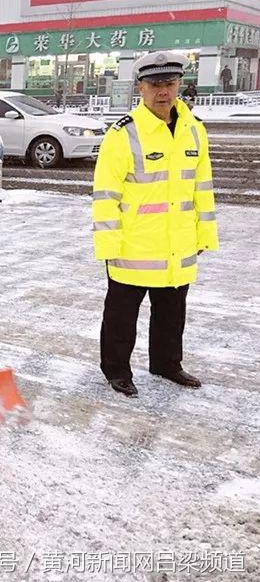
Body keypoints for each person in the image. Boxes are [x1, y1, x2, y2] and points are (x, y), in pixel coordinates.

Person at [92, 51, 218, 398]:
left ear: (179, 85)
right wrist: (107, 246)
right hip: (133, 245)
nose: (164, 91)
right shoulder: (124, 134)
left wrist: (204, 233)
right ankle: (116, 370)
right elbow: (105, 195)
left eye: (170, 84)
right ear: (141, 88)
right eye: (155, 84)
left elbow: (202, 187)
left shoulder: (195, 130)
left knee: (172, 312)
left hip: (178, 244)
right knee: (121, 316)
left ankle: (167, 363)